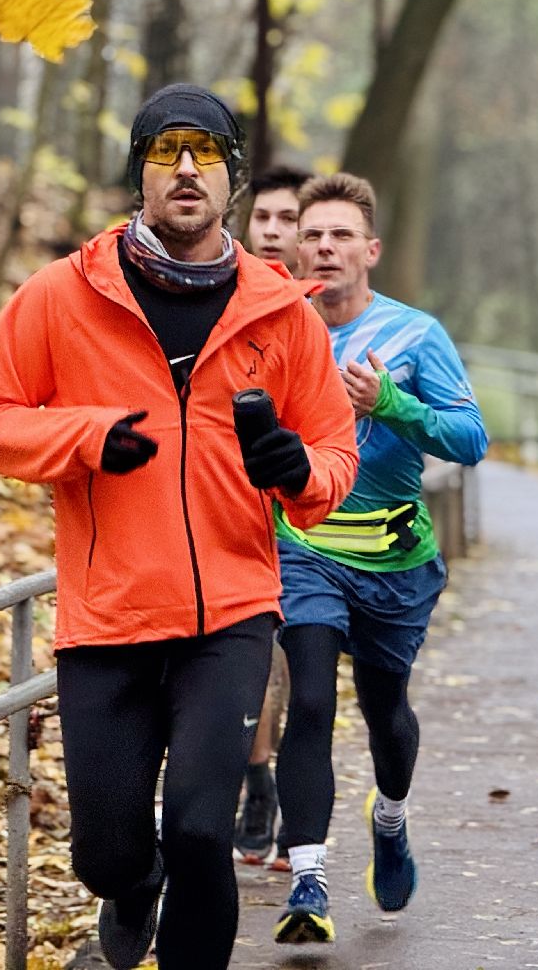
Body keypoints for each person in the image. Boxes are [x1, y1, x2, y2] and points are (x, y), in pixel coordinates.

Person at [0, 84, 358, 970]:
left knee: (203, 830)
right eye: (165, 151)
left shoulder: (280, 310)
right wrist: (87, 435)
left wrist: (299, 473)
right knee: (109, 853)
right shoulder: (63, 295)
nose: (186, 169)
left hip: (232, 615)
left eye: (206, 153)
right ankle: (134, 887)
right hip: (110, 617)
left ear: (234, 180)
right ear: (138, 173)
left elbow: (332, 453)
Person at [271, 173, 488, 944]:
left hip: (394, 557)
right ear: (298, 246)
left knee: (385, 710)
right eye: (312, 234)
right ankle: (308, 880)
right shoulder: (275, 325)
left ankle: (390, 817)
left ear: (370, 250)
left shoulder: (416, 334)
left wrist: (390, 404)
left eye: (339, 235)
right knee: (311, 704)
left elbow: (471, 441)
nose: (324, 247)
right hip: (303, 547)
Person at [233, 164, 312, 869]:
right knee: (259, 663)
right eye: (264, 219)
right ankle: (258, 779)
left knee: (294, 667)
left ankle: (281, 791)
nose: (274, 232)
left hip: (307, 525)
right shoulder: (219, 300)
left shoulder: (316, 316)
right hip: (231, 523)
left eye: (289, 221)